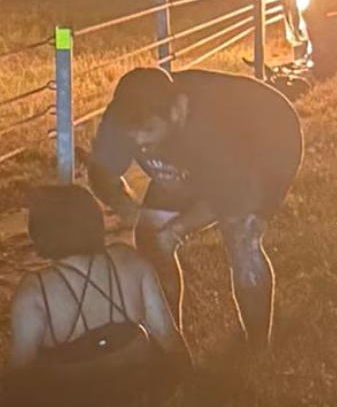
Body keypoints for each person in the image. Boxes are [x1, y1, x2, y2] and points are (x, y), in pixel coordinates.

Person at [87, 67, 303, 348]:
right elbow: (101, 171)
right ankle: (169, 342)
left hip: (266, 143)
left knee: (240, 234)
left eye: (149, 130)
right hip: (194, 158)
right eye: (132, 135)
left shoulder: (213, 123)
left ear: (176, 112)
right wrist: (126, 207)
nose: (139, 142)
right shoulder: (121, 117)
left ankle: (258, 348)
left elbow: (228, 196)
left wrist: (177, 228)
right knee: (151, 237)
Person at [0, 184, 191, 407]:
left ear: (39, 233)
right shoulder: (131, 261)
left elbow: (19, 372)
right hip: (137, 390)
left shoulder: (35, 291)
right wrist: (189, 380)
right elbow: (167, 334)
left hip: (73, 403)